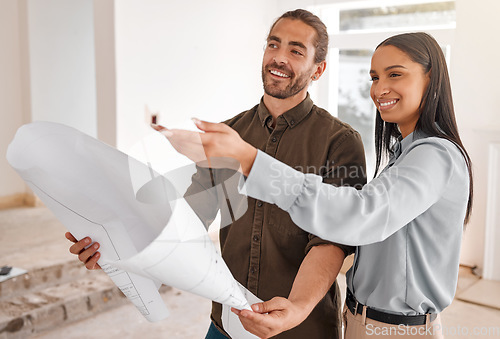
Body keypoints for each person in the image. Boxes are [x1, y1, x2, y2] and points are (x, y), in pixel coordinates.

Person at [66, 9, 366, 339]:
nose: (279, 58)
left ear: (318, 69)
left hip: (301, 330)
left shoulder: (340, 142)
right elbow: (188, 222)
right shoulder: (228, 133)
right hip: (227, 326)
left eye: (296, 50)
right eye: (273, 45)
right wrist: (116, 252)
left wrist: (294, 308)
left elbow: (331, 242)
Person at [161, 32, 473, 339]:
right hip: (352, 320)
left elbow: (357, 217)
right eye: (374, 78)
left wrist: (251, 161)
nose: (380, 88)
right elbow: (191, 212)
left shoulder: (434, 155)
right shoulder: (403, 154)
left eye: (395, 74)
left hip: (394, 330)